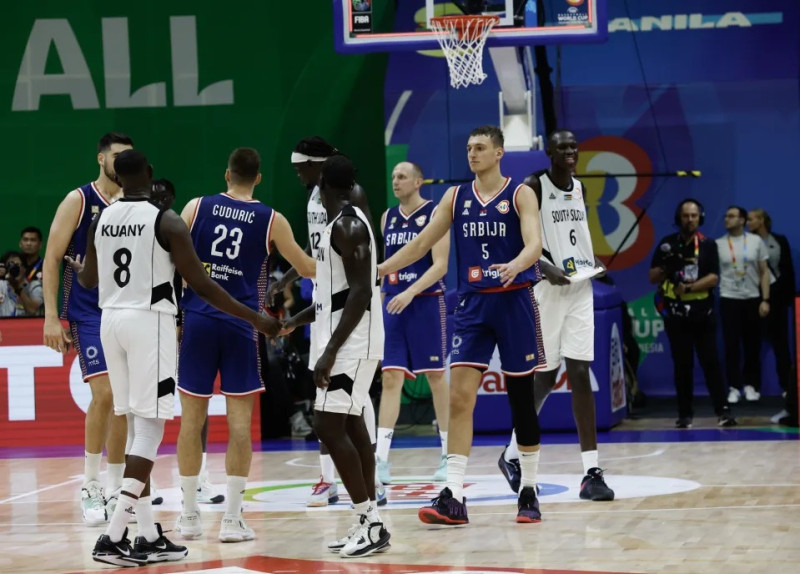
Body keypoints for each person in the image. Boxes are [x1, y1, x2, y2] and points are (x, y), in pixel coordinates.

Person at [69, 148, 280, 566]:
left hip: (110, 320)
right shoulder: (166, 220)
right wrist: (256, 317)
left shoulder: (101, 218)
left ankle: (146, 533)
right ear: (149, 173)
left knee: (131, 426)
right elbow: (201, 284)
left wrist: (78, 269)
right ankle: (114, 536)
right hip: (150, 323)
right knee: (150, 430)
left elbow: (90, 278)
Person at [380, 125, 546, 525]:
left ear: (499, 153)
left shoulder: (520, 194)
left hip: (514, 301)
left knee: (521, 401)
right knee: (458, 399)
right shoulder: (455, 198)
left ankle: (528, 489)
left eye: (480, 148)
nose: (472, 154)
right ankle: (452, 493)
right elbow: (420, 245)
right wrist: (379, 268)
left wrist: (516, 265)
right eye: (469, 147)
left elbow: (534, 245)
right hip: (473, 306)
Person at [175, 148, 316, 543]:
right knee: (239, 427)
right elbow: (305, 268)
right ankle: (233, 520)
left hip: (199, 322)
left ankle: (188, 516)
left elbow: (171, 260)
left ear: (226, 174)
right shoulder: (272, 219)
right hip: (241, 326)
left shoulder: (196, 206)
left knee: (191, 422)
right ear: (257, 179)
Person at [268, 136, 384, 508]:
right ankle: (354, 502)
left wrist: (331, 346)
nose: (298, 174)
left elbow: (361, 286)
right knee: (342, 420)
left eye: (301, 167)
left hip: (351, 323)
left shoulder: (350, 214)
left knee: (341, 418)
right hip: (328, 312)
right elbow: (315, 249)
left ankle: (367, 502)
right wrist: (290, 288)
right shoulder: (320, 203)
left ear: (320, 169)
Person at [496, 129, 613, 501]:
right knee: (545, 377)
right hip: (547, 289)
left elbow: (575, 231)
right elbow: (518, 238)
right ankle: (512, 453)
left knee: (580, 371)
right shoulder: (533, 185)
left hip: (580, 286)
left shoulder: (578, 187)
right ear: (548, 151)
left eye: (574, 146)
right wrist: (545, 267)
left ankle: (591, 472)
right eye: (562, 147)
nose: (570, 151)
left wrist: (589, 258)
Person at [42, 132, 133, 525]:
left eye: (129, 157)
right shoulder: (78, 200)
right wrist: (50, 317)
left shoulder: (135, 203)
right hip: (87, 314)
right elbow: (51, 260)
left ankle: (116, 488)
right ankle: (91, 484)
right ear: (101, 159)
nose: (123, 163)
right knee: (106, 393)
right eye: (117, 157)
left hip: (128, 311)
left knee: (124, 401)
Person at [151, 178, 224, 505]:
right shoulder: (136, 229)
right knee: (145, 406)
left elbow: (187, 279)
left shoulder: (179, 230)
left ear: (173, 200)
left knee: (197, 403)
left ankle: (199, 480)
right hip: (142, 324)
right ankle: (142, 482)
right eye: (154, 196)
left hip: (177, 322)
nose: (159, 201)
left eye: (165, 197)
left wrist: (181, 318)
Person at [377, 161, 450, 484]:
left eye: (402, 176)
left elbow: (441, 266)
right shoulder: (386, 218)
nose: (396, 181)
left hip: (425, 302)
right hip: (393, 304)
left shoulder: (435, 214)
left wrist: (409, 292)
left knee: (435, 376)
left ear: (418, 181)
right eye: (393, 176)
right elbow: (385, 268)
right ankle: (381, 459)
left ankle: (448, 453)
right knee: (390, 378)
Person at [649, 199, 736, 428]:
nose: (690, 220)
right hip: (676, 315)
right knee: (682, 365)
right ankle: (685, 414)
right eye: (686, 215)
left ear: (701, 218)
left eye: (694, 216)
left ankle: (723, 411)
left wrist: (687, 287)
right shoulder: (667, 244)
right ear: (679, 218)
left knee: (711, 363)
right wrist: (666, 268)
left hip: (703, 313)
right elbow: (652, 277)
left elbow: (713, 278)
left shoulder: (707, 245)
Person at [716, 206, 770, 404]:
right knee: (731, 345)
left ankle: (751, 385)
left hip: (753, 298)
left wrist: (765, 299)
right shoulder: (719, 244)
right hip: (729, 297)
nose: (727, 219)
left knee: (752, 345)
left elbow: (764, 272)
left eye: (731, 216)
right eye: (726, 216)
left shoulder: (755, 241)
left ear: (742, 220)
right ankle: (733, 387)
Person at [747, 208, 796, 421]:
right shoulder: (746, 242)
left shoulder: (779, 241)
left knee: (781, 345)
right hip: (753, 298)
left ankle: (788, 388)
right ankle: (752, 386)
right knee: (752, 343)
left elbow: (787, 270)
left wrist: (788, 300)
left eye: (751, 219)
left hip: (776, 300)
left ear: (762, 220)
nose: (747, 222)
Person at [19, 227, 44, 315]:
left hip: (37, 316)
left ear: (40, 244)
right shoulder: (14, 265)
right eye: (25, 240)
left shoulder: (46, 267)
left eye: (33, 240)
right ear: (20, 243)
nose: (29, 243)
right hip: (12, 316)